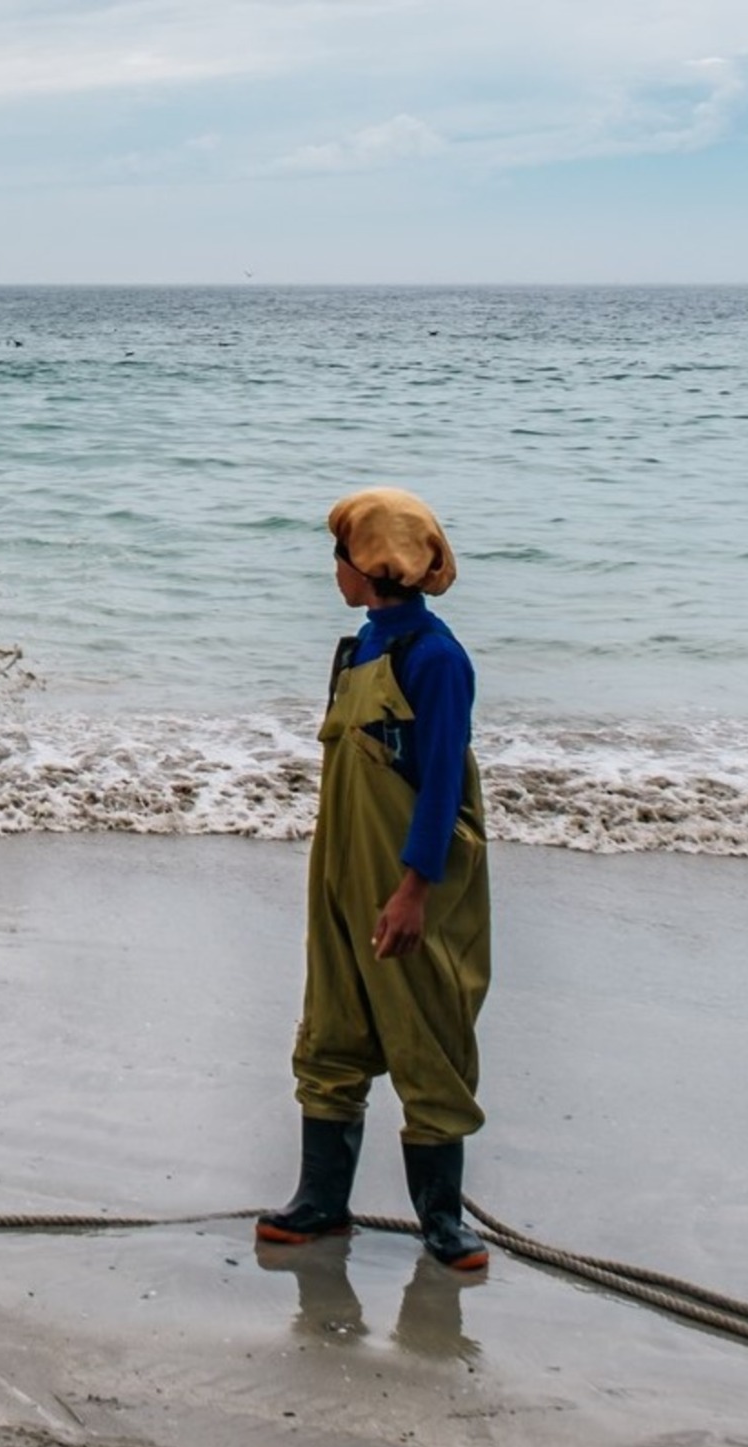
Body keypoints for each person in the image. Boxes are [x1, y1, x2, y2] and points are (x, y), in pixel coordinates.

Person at [258, 486, 492, 1271]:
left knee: (429, 1033)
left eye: (339, 556)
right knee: (332, 1028)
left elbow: (440, 790)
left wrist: (415, 889)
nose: (334, 569)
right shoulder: (358, 649)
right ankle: (321, 1200)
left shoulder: (436, 660)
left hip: (411, 882)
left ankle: (443, 1221)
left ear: (370, 565)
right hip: (342, 874)